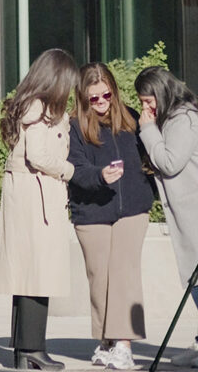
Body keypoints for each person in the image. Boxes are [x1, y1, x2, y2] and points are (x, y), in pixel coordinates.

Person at [0, 48, 80, 371]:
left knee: (28, 275)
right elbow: (40, 155)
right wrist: (71, 172)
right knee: (37, 275)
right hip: (38, 197)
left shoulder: (28, 105)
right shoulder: (42, 110)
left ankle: (26, 350)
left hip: (27, 195)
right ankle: (33, 350)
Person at [66, 63, 150, 370]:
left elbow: (151, 154)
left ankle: (124, 344)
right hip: (92, 211)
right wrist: (100, 175)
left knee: (125, 274)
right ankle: (107, 341)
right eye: (94, 99)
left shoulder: (132, 119)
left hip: (133, 209)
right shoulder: (75, 126)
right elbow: (75, 169)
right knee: (99, 278)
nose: (102, 103)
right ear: (83, 99)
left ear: (113, 91)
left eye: (106, 95)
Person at [135, 67, 198, 367]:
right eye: (142, 103)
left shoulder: (183, 119)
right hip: (186, 215)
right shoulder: (172, 119)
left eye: (150, 102)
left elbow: (170, 162)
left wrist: (147, 130)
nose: (146, 109)